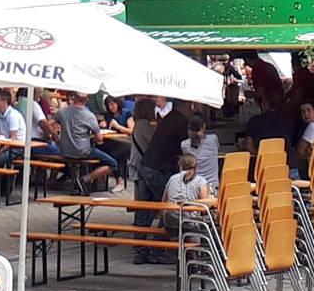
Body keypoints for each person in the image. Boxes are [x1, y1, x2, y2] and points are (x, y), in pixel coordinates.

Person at [132, 99, 188, 263]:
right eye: (190, 106)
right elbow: (187, 144)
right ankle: (158, 248)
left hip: (146, 166)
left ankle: (140, 250)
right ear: (183, 106)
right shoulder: (179, 121)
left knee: (144, 209)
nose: (191, 110)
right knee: (169, 207)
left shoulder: (170, 119)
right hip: (159, 169)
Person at [56, 92, 121, 193]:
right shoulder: (89, 116)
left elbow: (47, 123)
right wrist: (91, 138)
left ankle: (76, 182)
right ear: (87, 101)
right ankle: (85, 179)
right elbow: (100, 139)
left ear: (75, 98)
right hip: (83, 151)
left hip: (66, 151)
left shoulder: (63, 111)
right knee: (113, 164)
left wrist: (56, 137)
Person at [181, 114, 220, 191]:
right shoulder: (213, 139)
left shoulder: (184, 145)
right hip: (213, 185)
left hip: (195, 186)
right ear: (204, 126)